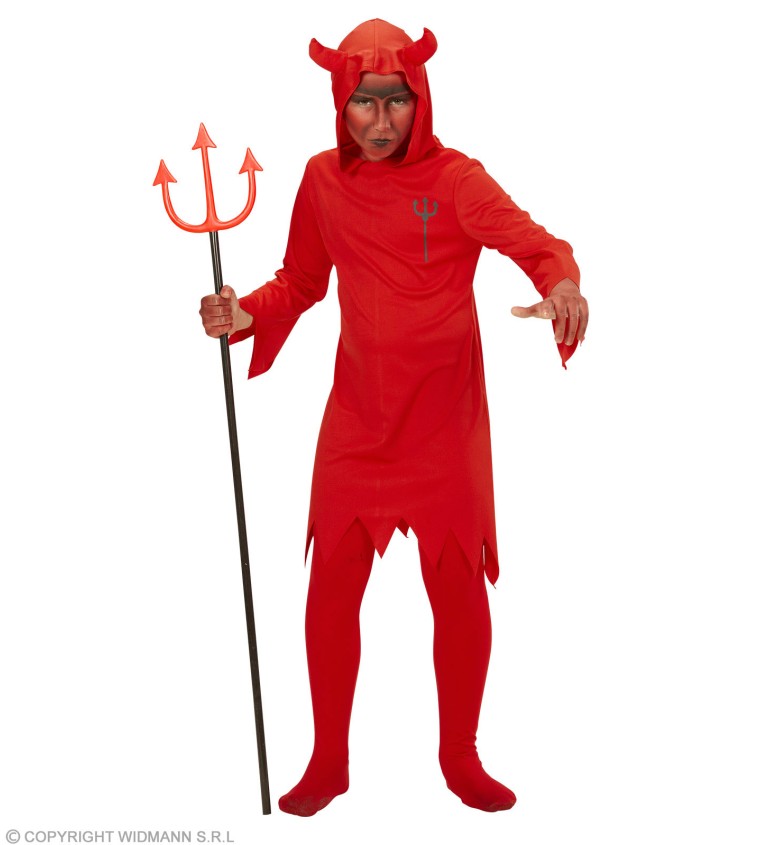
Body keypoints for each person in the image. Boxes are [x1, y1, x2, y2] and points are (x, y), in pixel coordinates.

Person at [199, 18, 588, 816]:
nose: (380, 120)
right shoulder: (321, 180)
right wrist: (245, 313)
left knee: (458, 588)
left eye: (396, 100)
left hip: (444, 424)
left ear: (422, 99)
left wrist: (561, 286)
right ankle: (329, 758)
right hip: (358, 422)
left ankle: (460, 755)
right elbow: (300, 280)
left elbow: (537, 244)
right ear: (340, 102)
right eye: (364, 102)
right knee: (330, 590)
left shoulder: (457, 180)